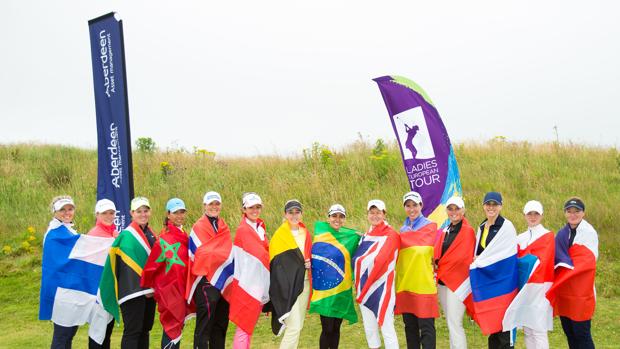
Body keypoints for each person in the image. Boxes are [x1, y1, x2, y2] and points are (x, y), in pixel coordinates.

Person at [40, 196, 114, 349]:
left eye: (70, 209)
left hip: (71, 290)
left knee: (67, 335)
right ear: (54, 212)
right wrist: (109, 243)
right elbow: (71, 256)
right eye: (62, 210)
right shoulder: (55, 233)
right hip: (62, 292)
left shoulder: (67, 230)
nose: (67, 212)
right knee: (62, 336)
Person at [99, 196, 157, 349]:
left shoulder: (151, 234)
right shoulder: (126, 235)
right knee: (133, 331)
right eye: (139, 211)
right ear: (132, 213)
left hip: (149, 290)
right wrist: (144, 288)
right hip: (133, 292)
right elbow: (125, 268)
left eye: (146, 210)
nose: (143, 214)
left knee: (145, 330)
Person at [141, 198, 193, 349]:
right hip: (169, 291)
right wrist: (148, 287)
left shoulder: (185, 235)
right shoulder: (164, 239)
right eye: (176, 212)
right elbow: (152, 266)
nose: (179, 215)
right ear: (168, 214)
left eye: (182, 212)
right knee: (171, 328)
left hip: (182, 288)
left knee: (177, 328)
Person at [547, 198, 598, 349]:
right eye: (569, 211)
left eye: (577, 211)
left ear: (583, 213)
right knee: (570, 333)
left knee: (582, 335)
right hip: (565, 291)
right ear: (565, 213)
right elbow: (555, 258)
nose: (573, 215)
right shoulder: (563, 233)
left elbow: (587, 260)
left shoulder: (589, 232)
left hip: (581, 292)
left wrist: (567, 265)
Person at [503, 200, 554, 349]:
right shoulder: (520, 238)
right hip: (523, 287)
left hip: (540, 288)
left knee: (538, 329)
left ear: (542, 215)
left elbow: (541, 262)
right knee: (527, 329)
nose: (533, 217)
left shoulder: (548, 236)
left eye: (536, 213)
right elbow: (513, 261)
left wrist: (523, 261)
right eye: (529, 213)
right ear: (524, 215)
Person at [309, 204, 361, 349]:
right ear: (328, 218)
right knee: (327, 328)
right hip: (324, 292)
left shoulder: (349, 238)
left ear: (344, 219)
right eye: (334, 216)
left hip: (340, 290)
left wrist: (361, 237)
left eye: (341, 216)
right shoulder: (320, 235)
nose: (337, 219)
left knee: (336, 328)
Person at [471, 192, 518, 349]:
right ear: (484, 206)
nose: (491, 208)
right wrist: (477, 260)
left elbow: (507, 254)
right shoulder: (482, 226)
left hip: (504, 282)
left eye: (495, 205)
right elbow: (479, 252)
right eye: (488, 204)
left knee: (505, 326)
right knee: (493, 324)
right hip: (489, 281)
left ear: (500, 206)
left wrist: (481, 261)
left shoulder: (507, 227)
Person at [352, 199, 400, 349]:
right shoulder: (366, 236)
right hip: (364, 286)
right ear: (367, 214)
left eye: (378, 212)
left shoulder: (391, 235)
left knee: (387, 328)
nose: (375, 215)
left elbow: (380, 261)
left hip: (382, 286)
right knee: (370, 328)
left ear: (384, 214)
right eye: (372, 212)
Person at [395, 191, 439, 349]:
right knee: (410, 328)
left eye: (415, 205)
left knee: (426, 328)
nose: (412, 209)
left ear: (421, 206)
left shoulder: (431, 227)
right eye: (408, 205)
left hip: (424, 285)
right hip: (406, 284)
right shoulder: (402, 230)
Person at [187, 191, 231, 349]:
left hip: (223, 283)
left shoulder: (223, 226)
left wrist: (221, 255)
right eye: (211, 204)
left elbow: (227, 252)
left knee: (220, 326)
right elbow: (201, 254)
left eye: (217, 204)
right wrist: (221, 254)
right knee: (204, 327)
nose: (214, 207)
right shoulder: (198, 227)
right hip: (205, 282)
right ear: (204, 206)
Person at [227, 192, 271, 349]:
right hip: (248, 285)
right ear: (244, 209)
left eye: (258, 207)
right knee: (244, 327)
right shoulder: (244, 229)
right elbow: (261, 255)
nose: (255, 210)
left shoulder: (259, 227)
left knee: (248, 328)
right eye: (251, 207)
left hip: (257, 283)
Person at [269, 200, 313, 349]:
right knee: (293, 326)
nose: (294, 215)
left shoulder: (305, 232)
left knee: (298, 326)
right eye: (291, 212)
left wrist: (308, 263)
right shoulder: (280, 235)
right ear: (285, 214)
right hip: (287, 287)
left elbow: (307, 255)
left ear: (301, 214)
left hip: (304, 284)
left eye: (297, 212)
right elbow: (277, 265)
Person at [434, 196, 476, 349]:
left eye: (457, 209)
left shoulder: (468, 231)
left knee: (455, 322)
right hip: (443, 281)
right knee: (450, 322)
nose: (453, 212)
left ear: (463, 210)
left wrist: (443, 264)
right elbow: (438, 253)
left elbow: (464, 258)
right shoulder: (445, 230)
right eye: (450, 209)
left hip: (458, 283)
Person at [87, 199, 120, 349]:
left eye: (111, 213)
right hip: (97, 292)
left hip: (110, 290)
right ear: (97, 215)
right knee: (97, 333)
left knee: (106, 332)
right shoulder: (93, 235)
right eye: (104, 213)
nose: (108, 216)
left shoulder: (115, 234)